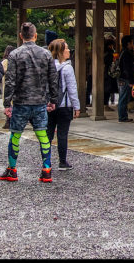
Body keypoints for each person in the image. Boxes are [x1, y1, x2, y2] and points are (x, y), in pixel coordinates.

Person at [0, 22, 59, 184]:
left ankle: (12, 169)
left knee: (15, 135)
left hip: (21, 101)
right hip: (40, 101)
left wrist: (7, 103)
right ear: (35, 35)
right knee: (42, 135)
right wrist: (53, 99)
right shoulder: (45, 54)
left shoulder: (15, 55)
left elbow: (10, 81)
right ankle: (46, 169)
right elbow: (53, 79)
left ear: (21, 36)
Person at [47, 38, 80, 170]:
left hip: (49, 105)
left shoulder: (48, 67)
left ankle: (46, 161)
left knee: (47, 133)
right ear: (60, 52)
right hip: (64, 105)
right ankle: (62, 162)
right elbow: (72, 89)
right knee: (62, 134)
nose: (68, 51)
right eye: (66, 48)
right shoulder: (67, 68)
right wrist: (76, 106)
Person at [117, 35, 134, 122]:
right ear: (128, 43)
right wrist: (130, 81)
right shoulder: (126, 54)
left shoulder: (123, 52)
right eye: (132, 42)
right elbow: (127, 69)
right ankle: (122, 117)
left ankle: (123, 116)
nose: (133, 44)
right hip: (125, 79)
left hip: (122, 78)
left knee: (123, 98)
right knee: (123, 98)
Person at [0, 45, 15, 130]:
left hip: (6, 84)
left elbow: (1, 71)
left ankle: (8, 121)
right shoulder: (15, 60)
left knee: (7, 103)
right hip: (14, 84)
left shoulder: (5, 61)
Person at [104, 38, 117, 110]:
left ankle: (105, 104)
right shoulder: (110, 54)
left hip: (104, 73)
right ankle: (105, 104)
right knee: (107, 90)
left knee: (106, 90)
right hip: (108, 73)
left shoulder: (104, 52)